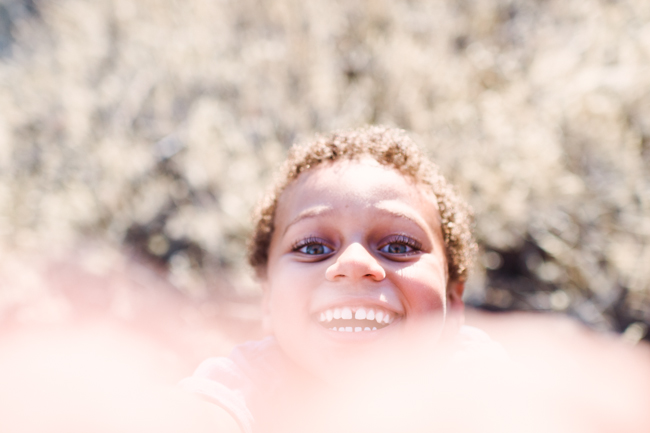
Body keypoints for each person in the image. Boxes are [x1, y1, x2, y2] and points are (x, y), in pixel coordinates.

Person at [180, 125, 509, 432]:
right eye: (311, 247)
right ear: (268, 301)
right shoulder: (245, 385)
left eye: (398, 246)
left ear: (453, 301)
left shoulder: (475, 376)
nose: (353, 263)